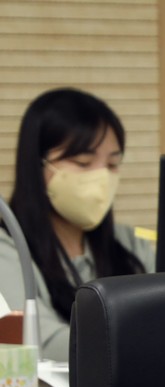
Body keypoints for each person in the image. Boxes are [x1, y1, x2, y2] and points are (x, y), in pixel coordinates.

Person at [0, 87, 154, 361]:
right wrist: (148, 345)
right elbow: (39, 340)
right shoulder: (8, 247)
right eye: (83, 162)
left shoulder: (130, 243)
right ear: (37, 166)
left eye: (112, 165)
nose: (101, 178)